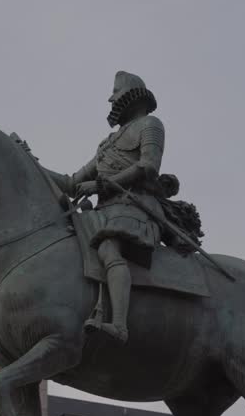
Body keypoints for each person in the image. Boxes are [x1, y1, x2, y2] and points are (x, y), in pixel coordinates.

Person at [45, 71, 165, 344]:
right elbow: (73, 182)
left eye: (116, 95)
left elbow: (148, 166)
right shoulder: (107, 143)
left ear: (131, 96)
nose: (112, 102)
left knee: (109, 246)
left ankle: (119, 325)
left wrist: (102, 186)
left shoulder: (150, 125)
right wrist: (29, 161)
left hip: (136, 207)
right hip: (105, 212)